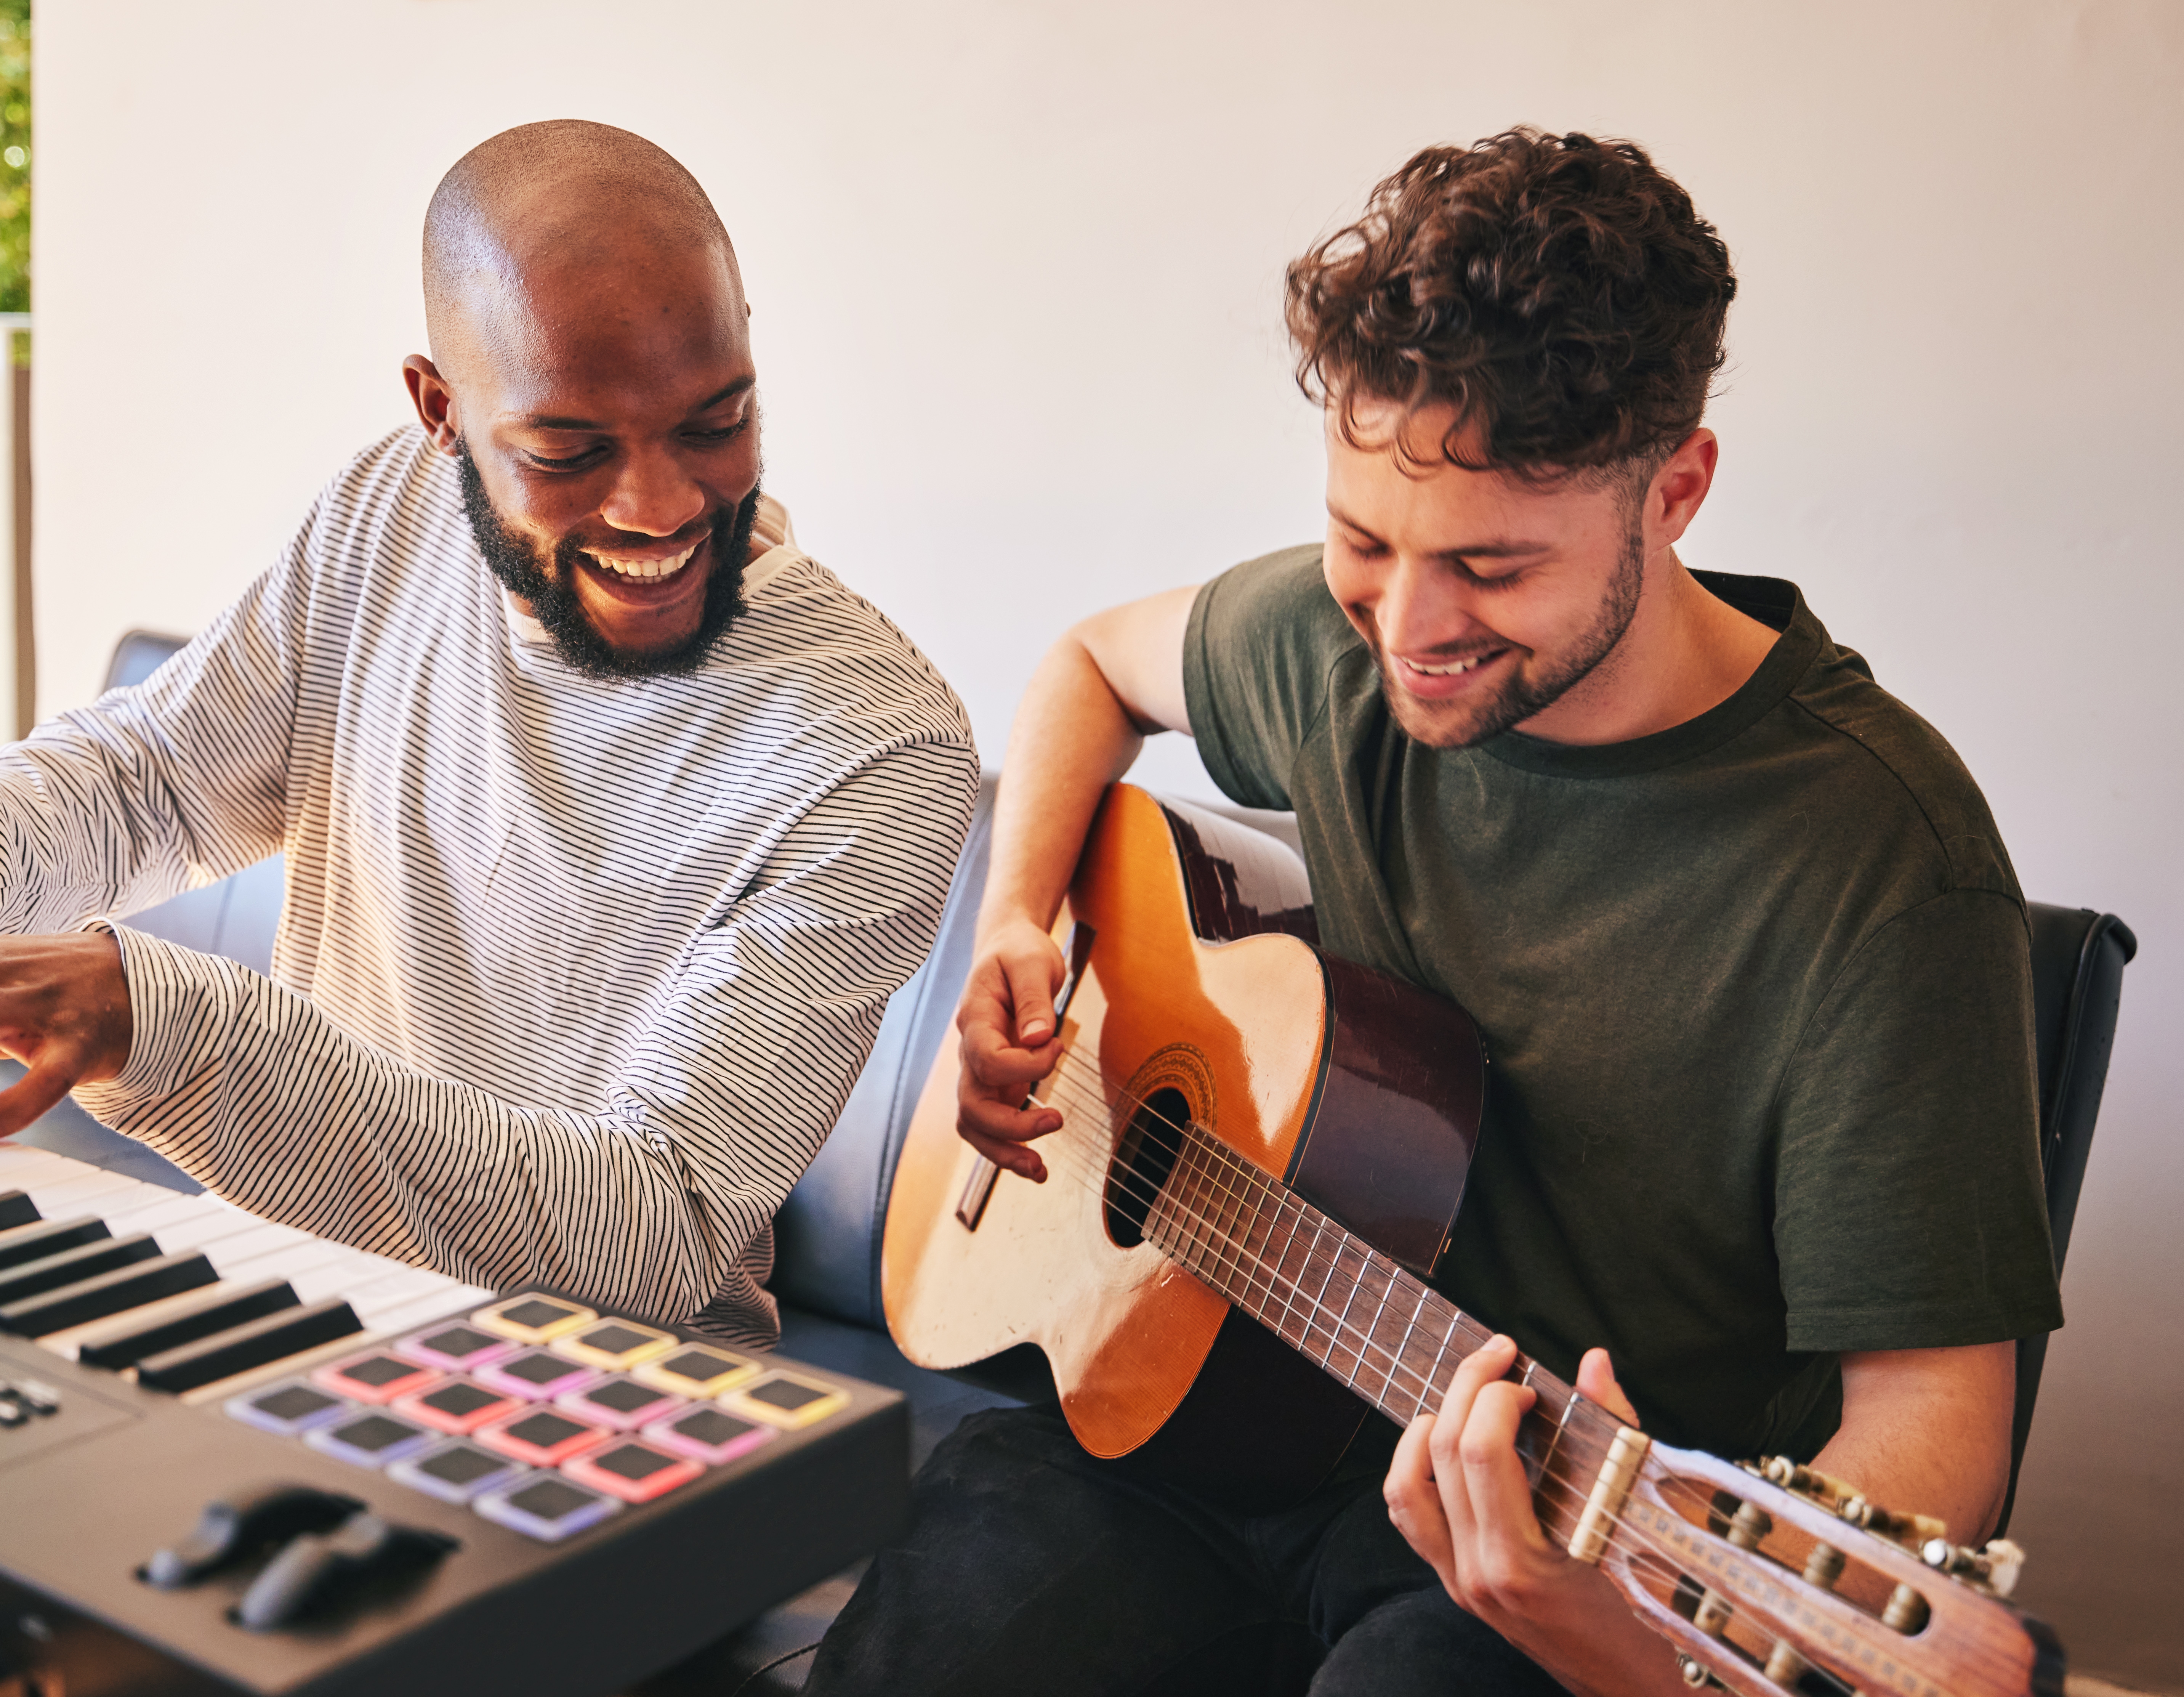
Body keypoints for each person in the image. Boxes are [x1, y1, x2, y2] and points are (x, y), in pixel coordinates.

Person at [0, 120, 976, 1697]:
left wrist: (161, 1016)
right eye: (569, 451)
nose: (662, 504)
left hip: (583, 1425)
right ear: (441, 414)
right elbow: (153, 776)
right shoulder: (393, 514)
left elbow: (647, 1230)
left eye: (716, 423)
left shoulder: (870, 741)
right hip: (277, 1323)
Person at [804, 128, 2060, 1697]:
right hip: (1207, 1402)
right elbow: (1090, 668)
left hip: (1562, 1530)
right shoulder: (1339, 646)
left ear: (1674, 492)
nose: (1406, 627)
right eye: (1362, 543)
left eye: (1491, 567)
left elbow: (1935, 1424)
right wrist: (1014, 923)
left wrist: (1623, 1633)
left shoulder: (1884, 867)